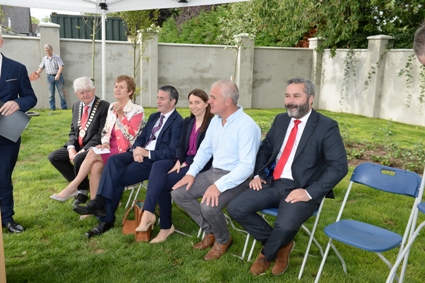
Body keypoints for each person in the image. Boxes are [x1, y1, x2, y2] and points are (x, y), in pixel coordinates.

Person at [227, 78, 348, 276]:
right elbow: (265, 149)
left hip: (302, 188)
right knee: (236, 208)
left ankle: (267, 254)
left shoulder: (326, 126)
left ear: (310, 99)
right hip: (273, 182)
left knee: (284, 225)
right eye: (287, 95)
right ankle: (283, 246)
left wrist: (309, 192)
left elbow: (339, 166)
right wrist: (257, 174)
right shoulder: (281, 120)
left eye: (296, 96)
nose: (290, 101)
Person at [73, 85, 183, 238]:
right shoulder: (154, 117)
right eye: (157, 97)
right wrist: (138, 149)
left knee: (117, 179)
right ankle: (99, 202)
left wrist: (147, 153)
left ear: (173, 102)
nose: (158, 101)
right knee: (114, 161)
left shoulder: (178, 122)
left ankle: (105, 219)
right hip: (138, 154)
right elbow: (141, 138)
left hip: (154, 161)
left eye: (162, 98)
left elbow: (172, 152)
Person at [171, 80, 261, 260]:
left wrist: (218, 186)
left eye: (213, 97)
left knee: (208, 207)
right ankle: (210, 231)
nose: (209, 101)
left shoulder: (247, 126)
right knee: (179, 193)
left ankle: (223, 239)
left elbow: (246, 167)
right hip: (214, 172)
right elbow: (205, 150)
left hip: (238, 178)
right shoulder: (216, 122)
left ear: (228, 101)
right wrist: (190, 174)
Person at [49, 75, 144, 204]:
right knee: (95, 166)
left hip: (125, 149)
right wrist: (104, 142)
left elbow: (132, 136)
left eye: (121, 87)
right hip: (109, 147)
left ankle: (72, 187)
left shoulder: (137, 110)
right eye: (116, 86)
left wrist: (121, 115)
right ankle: (93, 205)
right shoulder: (112, 107)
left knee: (92, 153)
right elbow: (105, 130)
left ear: (130, 91)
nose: (117, 89)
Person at [136, 89, 214, 244]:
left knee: (162, 184)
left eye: (197, 102)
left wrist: (185, 163)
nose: (193, 106)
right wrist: (179, 160)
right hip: (182, 160)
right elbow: (180, 146)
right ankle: (149, 213)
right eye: (191, 103)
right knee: (158, 166)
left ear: (207, 103)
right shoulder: (188, 122)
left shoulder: (212, 124)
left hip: (200, 165)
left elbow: (208, 154)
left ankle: (165, 226)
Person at [48, 77, 109, 206]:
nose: (85, 94)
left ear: (94, 90)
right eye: (81, 92)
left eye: (88, 91)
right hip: (77, 145)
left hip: (94, 146)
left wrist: (81, 150)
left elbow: (100, 134)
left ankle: (81, 191)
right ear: (76, 94)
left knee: (79, 158)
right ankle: (82, 186)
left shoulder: (104, 106)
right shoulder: (76, 106)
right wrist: (71, 148)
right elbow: (73, 131)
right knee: (55, 157)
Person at [0, 29, 37, 233]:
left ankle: (7, 218)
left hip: (7, 133)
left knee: (3, 175)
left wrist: (17, 102)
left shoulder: (17, 68)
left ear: (1, 42)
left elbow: (30, 97)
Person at [35, 44, 67, 110]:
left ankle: (64, 108)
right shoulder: (44, 59)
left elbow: (61, 66)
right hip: (49, 78)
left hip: (58, 77)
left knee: (62, 94)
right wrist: (37, 73)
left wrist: (58, 75)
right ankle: (52, 108)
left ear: (52, 50)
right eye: (46, 50)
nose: (47, 52)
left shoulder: (57, 57)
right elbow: (41, 67)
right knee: (51, 95)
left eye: (48, 50)